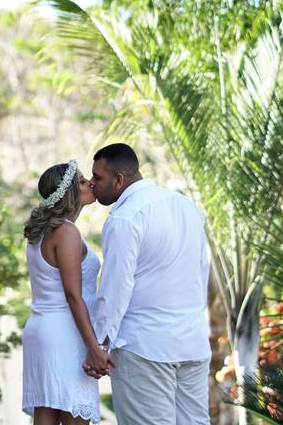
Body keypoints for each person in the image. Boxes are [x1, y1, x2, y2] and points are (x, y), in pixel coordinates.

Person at [90, 143, 211, 425]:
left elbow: (115, 287)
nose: (93, 184)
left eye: (97, 178)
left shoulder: (125, 217)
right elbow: (201, 271)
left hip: (144, 347)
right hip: (192, 343)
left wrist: (99, 345)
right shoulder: (186, 206)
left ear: (118, 180)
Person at [22, 160, 111, 425]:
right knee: (75, 415)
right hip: (65, 334)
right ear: (69, 193)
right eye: (83, 182)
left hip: (41, 330)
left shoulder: (41, 233)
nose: (90, 184)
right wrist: (93, 347)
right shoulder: (66, 232)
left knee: (46, 417)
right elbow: (73, 295)